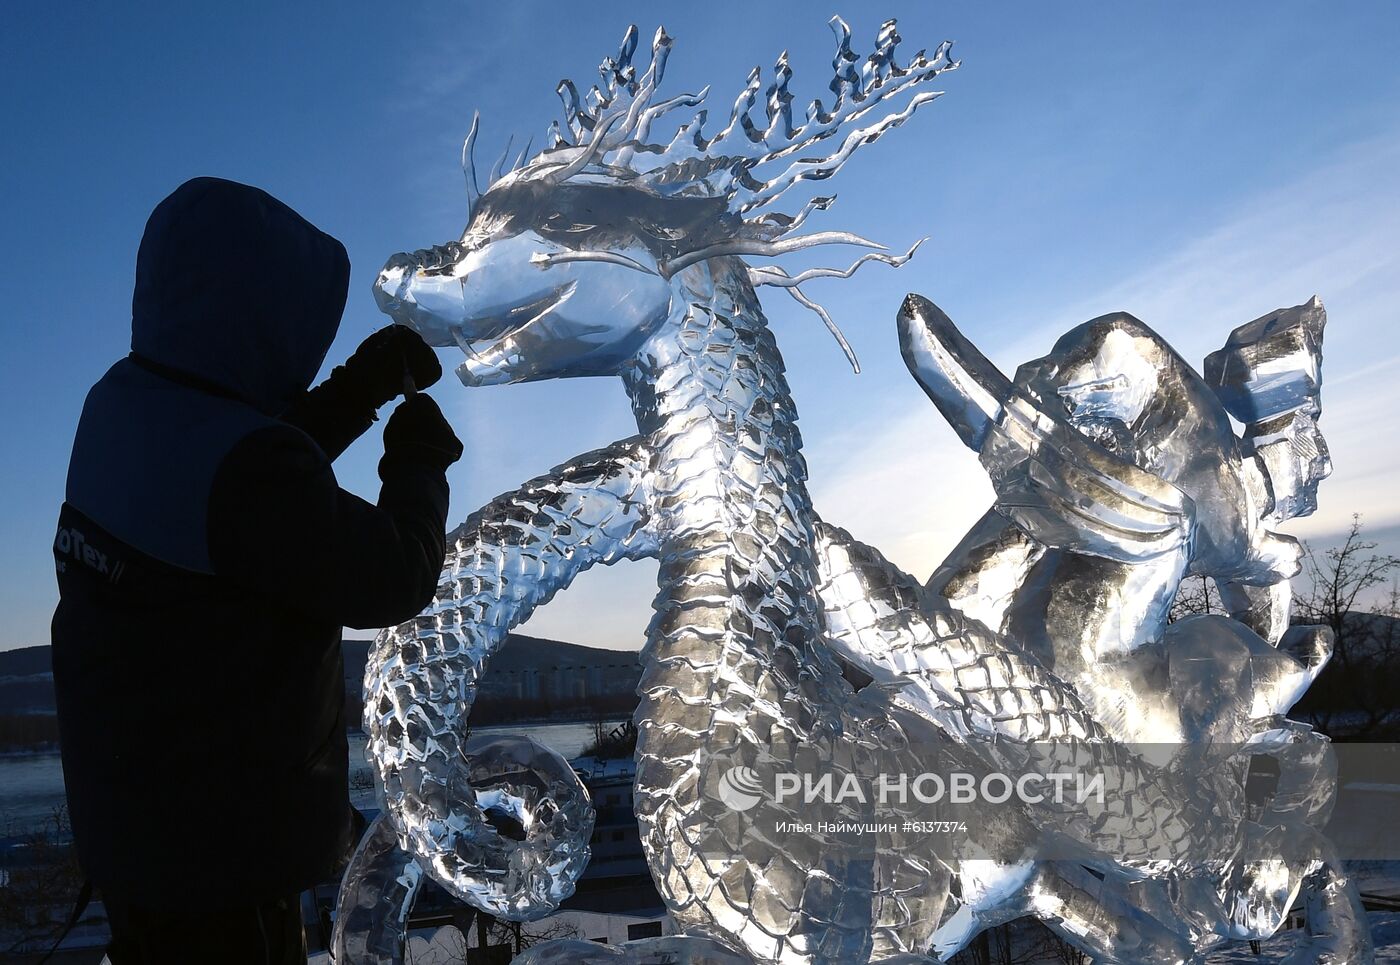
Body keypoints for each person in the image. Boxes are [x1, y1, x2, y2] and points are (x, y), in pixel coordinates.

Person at [50, 177, 462, 964]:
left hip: (136, 821)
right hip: (220, 853)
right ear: (259, 318)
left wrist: (360, 387)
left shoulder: (124, 404)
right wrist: (418, 460)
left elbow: (245, 474)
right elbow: (393, 574)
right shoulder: (245, 472)